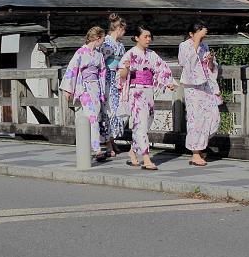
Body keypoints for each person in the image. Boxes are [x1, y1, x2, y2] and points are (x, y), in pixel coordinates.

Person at [119, 26, 175, 170]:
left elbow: (162, 68)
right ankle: (146, 157)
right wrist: (126, 68)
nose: (148, 39)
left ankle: (132, 151)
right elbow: (122, 76)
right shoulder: (130, 54)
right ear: (137, 38)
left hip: (148, 91)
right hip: (136, 91)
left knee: (148, 120)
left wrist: (168, 82)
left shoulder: (152, 54)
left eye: (150, 36)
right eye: (145, 36)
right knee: (141, 124)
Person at [60, 26, 107, 162]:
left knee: (94, 117)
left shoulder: (98, 55)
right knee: (92, 117)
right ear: (97, 38)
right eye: (102, 39)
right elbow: (72, 70)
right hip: (84, 87)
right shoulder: (80, 52)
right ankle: (97, 149)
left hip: (96, 87)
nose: (103, 42)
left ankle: (89, 146)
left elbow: (102, 73)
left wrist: (102, 91)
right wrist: (68, 89)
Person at [178, 21, 222, 167]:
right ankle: (195, 153)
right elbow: (187, 63)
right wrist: (196, 41)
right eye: (200, 30)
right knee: (196, 119)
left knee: (213, 117)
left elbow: (211, 67)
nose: (204, 31)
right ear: (191, 33)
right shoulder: (184, 46)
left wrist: (210, 62)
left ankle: (201, 146)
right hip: (193, 87)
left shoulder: (205, 46)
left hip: (206, 85)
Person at [99, 13, 127, 157]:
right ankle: (108, 143)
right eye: (124, 29)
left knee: (117, 110)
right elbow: (100, 62)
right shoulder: (106, 43)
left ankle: (112, 139)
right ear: (119, 28)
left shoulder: (120, 46)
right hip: (107, 79)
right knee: (108, 110)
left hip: (117, 79)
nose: (124, 32)